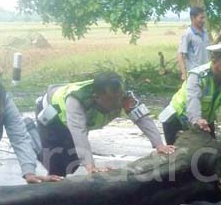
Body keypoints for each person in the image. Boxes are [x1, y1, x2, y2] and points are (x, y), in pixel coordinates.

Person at [35, 72, 175, 176]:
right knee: (57, 167)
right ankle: (33, 142)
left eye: (119, 97)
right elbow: (79, 133)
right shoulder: (76, 101)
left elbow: (142, 118)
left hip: (77, 120)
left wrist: (159, 145)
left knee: (72, 164)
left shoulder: (124, 96)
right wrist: (91, 167)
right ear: (96, 97)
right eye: (111, 100)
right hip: (52, 117)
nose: (117, 104)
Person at [160, 41, 221, 149]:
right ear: (214, 60)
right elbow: (193, 100)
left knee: (211, 153)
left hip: (204, 121)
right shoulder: (198, 76)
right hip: (177, 118)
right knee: (176, 155)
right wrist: (197, 119)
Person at [178, 7, 210, 82]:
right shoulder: (188, 34)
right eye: (201, 18)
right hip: (194, 75)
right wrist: (184, 73)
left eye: (204, 18)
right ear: (193, 18)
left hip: (207, 73)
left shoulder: (205, 33)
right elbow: (180, 54)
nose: (203, 20)